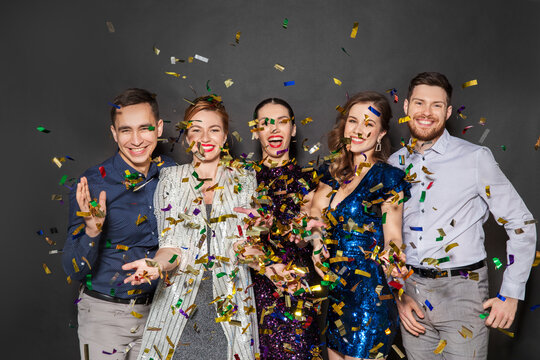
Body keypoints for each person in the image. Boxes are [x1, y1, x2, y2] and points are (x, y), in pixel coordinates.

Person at [388, 72, 537, 360]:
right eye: (419, 103)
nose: (426, 113)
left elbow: (521, 223)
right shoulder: (394, 163)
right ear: (406, 107)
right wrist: (397, 295)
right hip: (410, 293)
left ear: (448, 111)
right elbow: (387, 237)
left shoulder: (475, 158)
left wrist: (512, 293)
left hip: (463, 291)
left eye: (436, 105)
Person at [122, 96, 259, 360]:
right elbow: (171, 247)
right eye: (196, 129)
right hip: (179, 310)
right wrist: (156, 265)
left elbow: (243, 244)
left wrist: (268, 264)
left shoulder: (244, 177)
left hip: (231, 308)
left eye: (214, 129)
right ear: (186, 137)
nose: (205, 137)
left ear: (225, 136)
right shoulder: (171, 179)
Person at [62, 88, 175, 360]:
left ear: (158, 128)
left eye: (144, 128)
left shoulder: (173, 173)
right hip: (104, 316)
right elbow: (73, 269)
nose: (136, 140)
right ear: (114, 133)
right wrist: (92, 230)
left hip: (161, 315)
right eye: (126, 131)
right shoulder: (92, 184)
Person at [310, 91, 410, 359]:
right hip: (338, 295)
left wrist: (394, 258)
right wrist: (318, 243)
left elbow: (393, 236)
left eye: (368, 124)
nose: (358, 130)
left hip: (371, 297)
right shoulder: (331, 174)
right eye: (353, 121)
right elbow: (316, 213)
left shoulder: (389, 178)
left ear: (380, 133)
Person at [246, 98, 322, 359]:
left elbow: (317, 241)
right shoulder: (241, 182)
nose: (274, 130)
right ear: (255, 132)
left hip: (295, 295)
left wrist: (307, 234)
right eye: (265, 124)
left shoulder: (312, 183)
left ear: (294, 129)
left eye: (282, 122)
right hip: (249, 296)